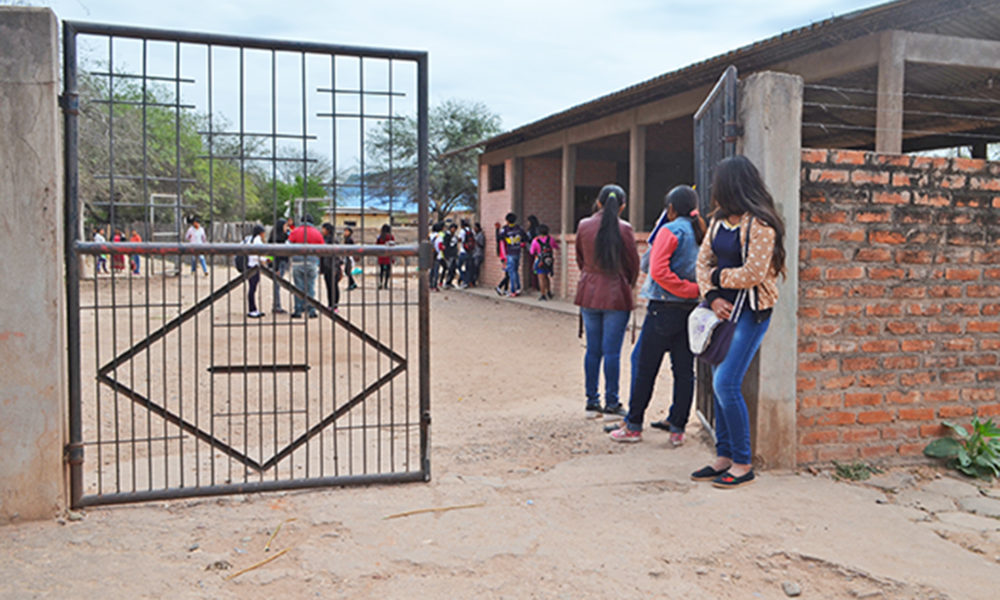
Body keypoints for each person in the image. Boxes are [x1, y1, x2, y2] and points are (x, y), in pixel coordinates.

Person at [691, 155, 786, 489]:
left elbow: (753, 274)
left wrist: (717, 277)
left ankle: (743, 463)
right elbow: (701, 264)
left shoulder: (761, 224)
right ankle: (724, 457)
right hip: (722, 310)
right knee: (720, 379)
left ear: (731, 186)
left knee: (725, 383)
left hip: (752, 312)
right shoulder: (717, 222)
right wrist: (713, 296)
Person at [607, 185, 704, 445]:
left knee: (645, 368)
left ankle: (634, 426)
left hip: (663, 308)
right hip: (690, 310)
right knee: (684, 371)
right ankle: (677, 429)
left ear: (670, 209)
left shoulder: (670, 230)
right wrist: (695, 291)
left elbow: (656, 270)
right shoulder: (701, 232)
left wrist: (684, 290)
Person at [574, 184, 640, 420]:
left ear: (599, 203)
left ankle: (592, 402)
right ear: (622, 206)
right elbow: (633, 264)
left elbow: (580, 259)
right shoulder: (625, 229)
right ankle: (612, 403)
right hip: (616, 293)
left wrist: (591, 276)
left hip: (589, 292)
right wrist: (626, 283)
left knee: (593, 350)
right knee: (612, 352)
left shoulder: (583, 225)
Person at [286, 214, 324, 318]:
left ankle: (298, 310)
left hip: (298, 263)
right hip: (312, 263)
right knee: (310, 287)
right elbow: (322, 248)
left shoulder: (295, 231)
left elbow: (287, 245)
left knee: (299, 287)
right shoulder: (317, 233)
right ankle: (311, 310)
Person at [498, 213, 527, 297]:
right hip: (517, 252)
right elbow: (525, 238)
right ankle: (518, 288)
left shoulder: (505, 229)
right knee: (516, 271)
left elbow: (499, 237)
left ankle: (513, 290)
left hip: (510, 253)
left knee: (511, 272)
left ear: (507, 221)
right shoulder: (519, 228)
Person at [268, 218, 292, 314]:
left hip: (280, 262)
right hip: (279, 263)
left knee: (277, 285)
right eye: (285, 226)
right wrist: (276, 267)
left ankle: (277, 305)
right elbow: (274, 254)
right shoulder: (278, 238)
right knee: (277, 285)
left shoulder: (279, 236)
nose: (287, 227)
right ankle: (277, 306)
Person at [529, 223, 558, 301]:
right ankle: (549, 292)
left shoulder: (535, 241)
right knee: (546, 276)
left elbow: (531, 252)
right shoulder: (550, 239)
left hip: (540, 261)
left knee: (541, 278)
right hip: (549, 261)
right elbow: (555, 246)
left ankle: (543, 294)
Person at [245, 225, 266, 318]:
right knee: (252, 289)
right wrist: (270, 258)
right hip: (255, 266)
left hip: (249, 265)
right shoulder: (258, 241)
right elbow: (261, 256)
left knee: (252, 288)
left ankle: (253, 308)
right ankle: (252, 310)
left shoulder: (249, 239)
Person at [320, 223, 342, 309]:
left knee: (334, 286)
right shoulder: (324, 240)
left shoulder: (333, 240)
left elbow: (337, 257)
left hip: (333, 266)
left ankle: (335, 305)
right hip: (326, 266)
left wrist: (336, 268)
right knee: (329, 286)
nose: (322, 231)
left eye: (323, 229)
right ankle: (330, 304)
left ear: (328, 230)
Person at [376, 223, 395, 290]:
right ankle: (386, 284)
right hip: (388, 256)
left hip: (381, 256)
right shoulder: (390, 237)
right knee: (387, 271)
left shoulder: (380, 237)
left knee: (381, 271)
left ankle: (380, 283)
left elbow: (376, 245)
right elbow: (393, 245)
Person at [457, 219, 475, 288]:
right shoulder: (471, 230)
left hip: (463, 251)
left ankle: (464, 280)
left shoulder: (462, 231)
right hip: (470, 252)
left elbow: (460, 239)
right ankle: (468, 281)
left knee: (459, 266)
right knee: (468, 267)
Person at [493, 221, 509, 295]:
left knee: (507, 274)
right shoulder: (503, 241)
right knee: (508, 274)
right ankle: (499, 286)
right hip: (505, 257)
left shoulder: (500, 240)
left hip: (504, 257)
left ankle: (505, 289)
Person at [442, 223, 460, 288]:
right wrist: (445, 255)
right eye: (453, 228)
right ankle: (447, 282)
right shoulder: (447, 235)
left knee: (453, 269)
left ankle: (450, 282)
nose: (454, 230)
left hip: (454, 254)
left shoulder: (454, 236)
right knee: (450, 268)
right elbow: (445, 245)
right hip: (449, 254)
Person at [429, 222, 445, 291]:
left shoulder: (430, 235)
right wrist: (444, 248)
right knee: (436, 271)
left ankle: (430, 285)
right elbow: (440, 246)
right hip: (437, 255)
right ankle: (435, 285)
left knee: (431, 270)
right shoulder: (439, 236)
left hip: (430, 254)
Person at [342, 227, 358, 291]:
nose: (345, 232)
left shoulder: (349, 239)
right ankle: (352, 283)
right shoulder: (346, 239)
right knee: (347, 271)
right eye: (345, 231)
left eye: (347, 231)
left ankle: (351, 284)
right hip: (347, 256)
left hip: (350, 257)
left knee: (348, 271)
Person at [471, 222, 486, 287]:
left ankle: (474, 280)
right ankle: (472, 281)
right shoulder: (475, 234)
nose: (474, 229)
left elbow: (482, 245)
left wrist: (476, 242)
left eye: (475, 228)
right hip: (474, 253)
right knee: (473, 268)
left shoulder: (480, 235)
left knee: (476, 268)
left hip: (479, 253)